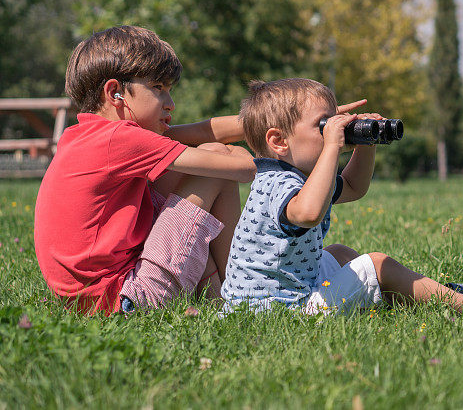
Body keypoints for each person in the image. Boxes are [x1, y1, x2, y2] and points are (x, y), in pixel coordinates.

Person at [33, 26, 363, 316]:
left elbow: (205, 132)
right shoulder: (120, 138)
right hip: (121, 298)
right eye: (158, 88)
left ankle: (228, 288)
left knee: (207, 155)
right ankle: (243, 291)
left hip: (95, 298)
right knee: (217, 163)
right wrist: (307, 136)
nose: (169, 102)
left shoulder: (90, 136)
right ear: (115, 92)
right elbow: (247, 168)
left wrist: (297, 120)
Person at [222, 78, 463, 318]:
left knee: (340, 254)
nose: (335, 131)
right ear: (278, 141)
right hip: (279, 311)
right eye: (323, 126)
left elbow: (353, 187)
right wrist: (331, 147)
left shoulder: (299, 178)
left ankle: (434, 295)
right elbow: (309, 213)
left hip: (286, 293)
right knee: (376, 264)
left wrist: (364, 145)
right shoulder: (278, 183)